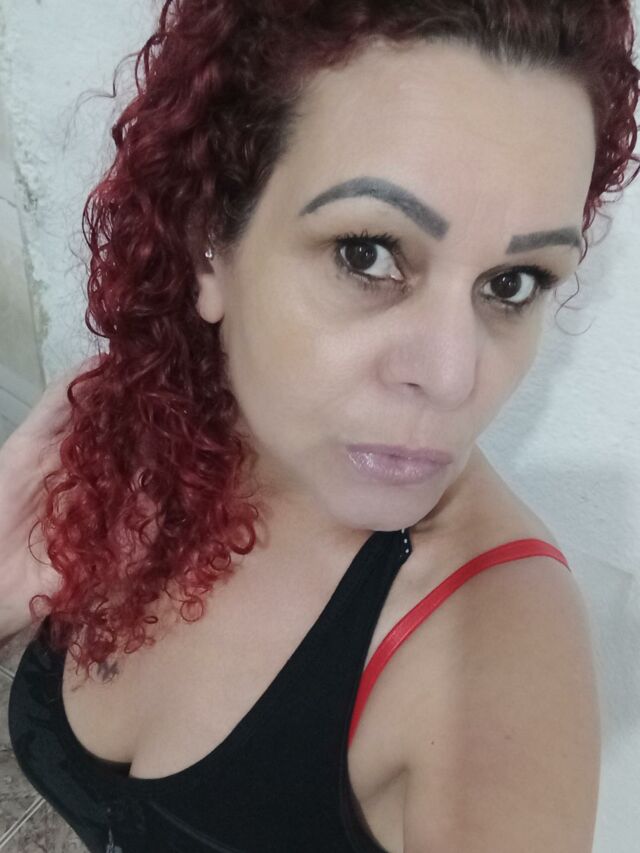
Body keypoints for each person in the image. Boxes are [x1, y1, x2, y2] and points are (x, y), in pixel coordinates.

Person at [2, 1, 639, 850]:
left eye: (512, 282)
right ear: (209, 240)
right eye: (367, 253)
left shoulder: (496, 653)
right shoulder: (140, 420)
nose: (453, 377)